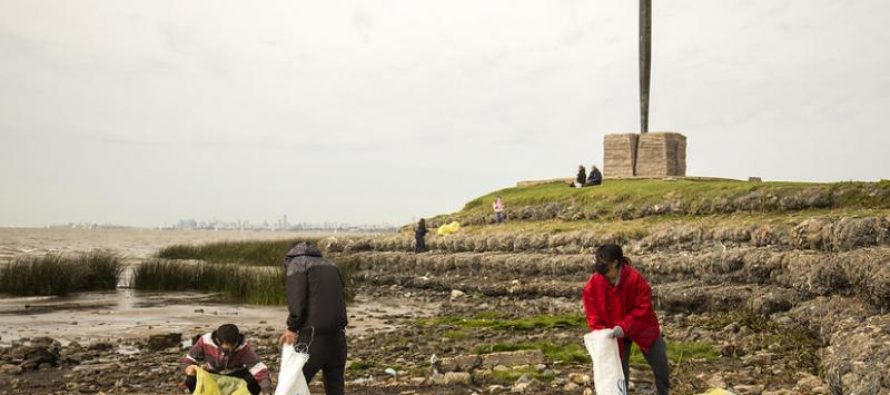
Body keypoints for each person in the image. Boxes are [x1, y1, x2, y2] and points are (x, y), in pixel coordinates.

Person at [582, 244, 670, 395]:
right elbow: (592, 314)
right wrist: (602, 333)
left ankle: (663, 392)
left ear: (615, 262)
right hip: (613, 332)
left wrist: (624, 327)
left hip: (641, 327)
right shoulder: (593, 284)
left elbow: (643, 308)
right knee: (619, 371)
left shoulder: (635, 279)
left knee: (660, 365)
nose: (600, 267)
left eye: (604, 263)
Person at [279, 242, 348, 395]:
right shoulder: (331, 265)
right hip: (338, 335)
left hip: (312, 336)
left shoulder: (298, 264)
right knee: (335, 386)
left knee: (294, 382)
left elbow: (297, 298)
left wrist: (292, 327)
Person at [181, 324, 272, 395]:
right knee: (191, 379)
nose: (230, 350)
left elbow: (258, 368)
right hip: (212, 372)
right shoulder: (205, 341)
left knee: (254, 380)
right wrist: (188, 368)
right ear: (218, 340)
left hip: (235, 374)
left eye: (233, 346)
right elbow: (190, 359)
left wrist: (267, 391)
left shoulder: (243, 348)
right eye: (226, 347)